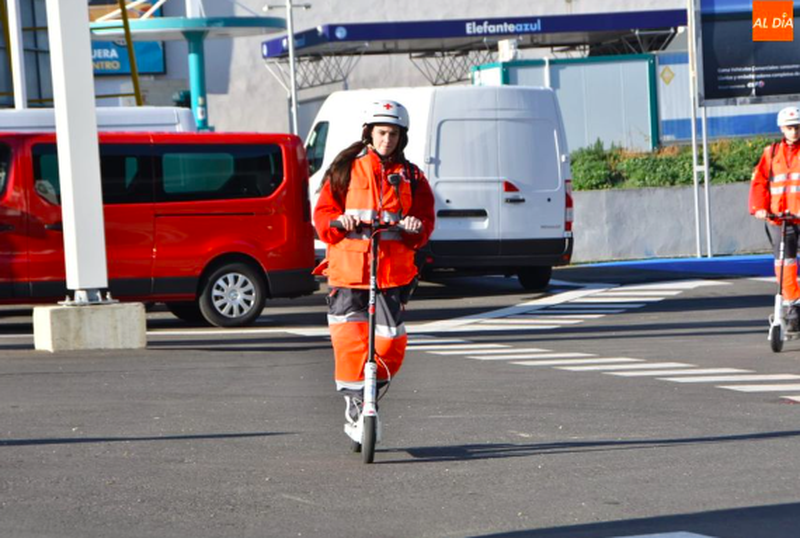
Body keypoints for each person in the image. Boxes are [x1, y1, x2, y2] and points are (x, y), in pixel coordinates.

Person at [313, 99, 435, 425]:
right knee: (350, 342)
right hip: (348, 273)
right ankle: (356, 403)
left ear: (401, 137)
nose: (387, 139)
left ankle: (371, 389)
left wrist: (416, 227)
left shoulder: (412, 176)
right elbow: (323, 215)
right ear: (369, 133)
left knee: (391, 340)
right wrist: (339, 221)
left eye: (393, 134)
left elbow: (425, 219)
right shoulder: (345, 169)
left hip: (391, 275)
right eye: (382, 132)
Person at [750, 105, 800, 329]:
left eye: (797, 127)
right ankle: (793, 306)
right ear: (782, 129)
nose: (794, 131)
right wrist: (759, 208)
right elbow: (759, 182)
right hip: (780, 219)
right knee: (784, 263)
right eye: (790, 128)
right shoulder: (771, 154)